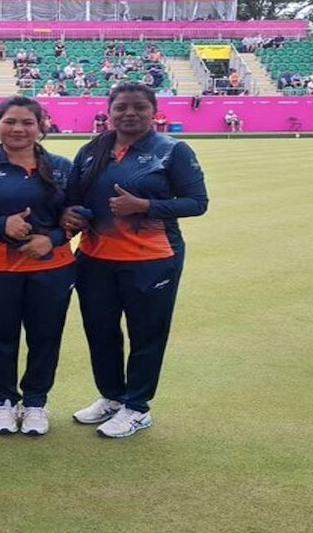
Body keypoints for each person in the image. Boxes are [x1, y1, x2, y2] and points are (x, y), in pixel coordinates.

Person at [60, 82, 209, 438]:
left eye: (139, 107)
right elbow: (74, 198)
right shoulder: (92, 149)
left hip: (152, 259)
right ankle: (112, 397)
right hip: (95, 258)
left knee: (146, 334)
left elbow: (197, 202)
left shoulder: (172, 150)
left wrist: (145, 206)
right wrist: (71, 213)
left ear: (153, 110)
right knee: (101, 332)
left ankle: (137, 407)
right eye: (121, 107)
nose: (130, 113)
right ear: (109, 111)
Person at [0, 97, 76, 436]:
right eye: (10, 121)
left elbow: (81, 212)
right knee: (0, 338)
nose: (19, 129)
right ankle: (4, 402)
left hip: (52, 267)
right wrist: (0, 225)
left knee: (45, 337)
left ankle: (36, 403)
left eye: (28, 122)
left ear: (41, 126)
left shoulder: (62, 166)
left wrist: (52, 238)